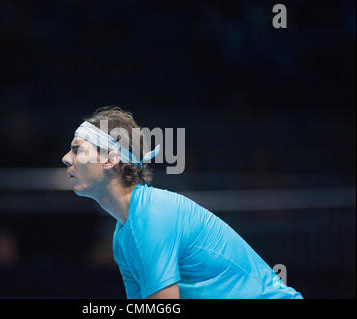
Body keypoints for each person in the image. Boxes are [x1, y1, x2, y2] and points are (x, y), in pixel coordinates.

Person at [61, 106, 303, 299]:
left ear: (110, 160)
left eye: (77, 149)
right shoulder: (122, 237)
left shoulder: (152, 216)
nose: (66, 158)